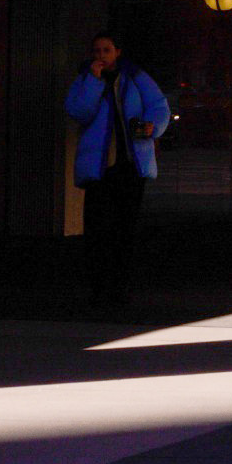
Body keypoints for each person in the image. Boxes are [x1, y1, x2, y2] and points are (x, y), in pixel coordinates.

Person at [63, 32, 170, 308]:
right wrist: (93, 81)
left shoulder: (135, 77)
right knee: (97, 229)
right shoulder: (85, 78)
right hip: (100, 168)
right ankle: (98, 287)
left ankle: (121, 288)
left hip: (130, 164)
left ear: (117, 52)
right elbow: (79, 111)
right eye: (97, 51)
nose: (101, 56)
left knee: (125, 229)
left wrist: (152, 127)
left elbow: (158, 105)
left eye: (106, 50)